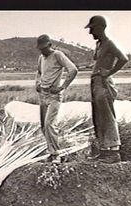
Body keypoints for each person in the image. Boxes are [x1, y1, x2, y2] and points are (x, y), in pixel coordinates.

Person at [85, 15, 128, 163]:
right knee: (98, 117)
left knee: (107, 116)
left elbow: (124, 58)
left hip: (104, 83)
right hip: (96, 82)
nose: (90, 32)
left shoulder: (109, 43)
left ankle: (114, 151)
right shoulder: (98, 45)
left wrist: (109, 72)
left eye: (92, 29)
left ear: (100, 28)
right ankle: (104, 150)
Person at [35, 34, 78, 164]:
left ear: (49, 45)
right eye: (40, 49)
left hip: (54, 96)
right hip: (43, 94)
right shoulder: (41, 58)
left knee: (49, 124)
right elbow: (39, 72)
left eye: (44, 48)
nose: (42, 51)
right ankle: (50, 152)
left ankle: (56, 154)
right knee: (43, 126)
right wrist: (37, 83)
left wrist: (62, 87)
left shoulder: (58, 55)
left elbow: (73, 70)